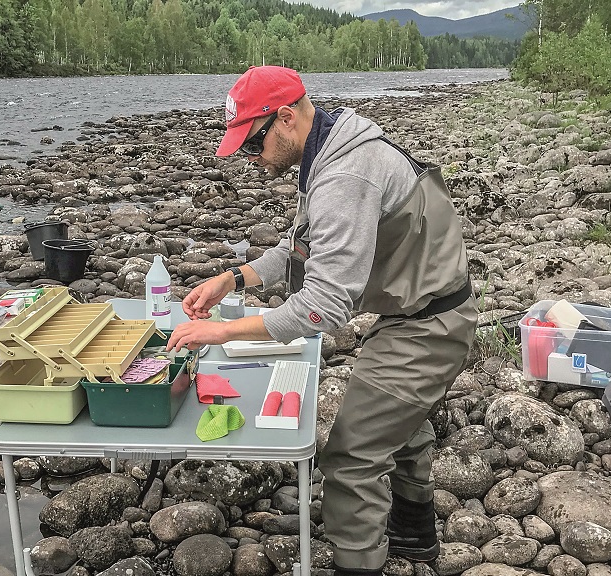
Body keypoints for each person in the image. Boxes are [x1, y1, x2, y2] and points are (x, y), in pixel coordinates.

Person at [165, 65, 477, 576]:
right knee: (399, 423)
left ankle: (363, 561)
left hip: (429, 326)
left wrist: (220, 332)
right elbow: (302, 250)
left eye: (253, 145)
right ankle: (414, 538)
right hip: (418, 309)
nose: (252, 159)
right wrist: (233, 279)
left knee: (351, 460)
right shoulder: (330, 144)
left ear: (285, 119)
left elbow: (324, 306)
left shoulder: (344, 177)